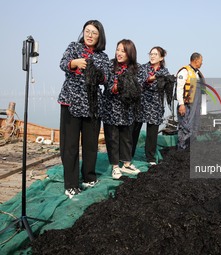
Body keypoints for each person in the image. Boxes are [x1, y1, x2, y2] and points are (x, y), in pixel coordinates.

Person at [58, 20, 110, 199]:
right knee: (70, 146)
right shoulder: (73, 47)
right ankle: (71, 184)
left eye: (94, 33)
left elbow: (105, 78)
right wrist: (75, 63)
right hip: (71, 102)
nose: (90, 35)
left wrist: (96, 72)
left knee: (90, 144)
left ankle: (89, 176)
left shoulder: (102, 56)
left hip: (92, 105)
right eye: (87, 31)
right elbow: (63, 63)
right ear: (83, 33)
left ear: (99, 36)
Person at [102, 39, 141, 179]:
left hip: (127, 109)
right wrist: (116, 86)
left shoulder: (136, 68)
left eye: (123, 51)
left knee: (126, 137)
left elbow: (139, 86)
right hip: (111, 108)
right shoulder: (110, 65)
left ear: (130, 53)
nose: (119, 53)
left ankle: (126, 164)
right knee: (112, 137)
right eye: (118, 49)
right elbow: (106, 83)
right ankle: (115, 167)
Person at [132, 46, 174, 165]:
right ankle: (128, 155)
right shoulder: (142, 68)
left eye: (155, 54)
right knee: (135, 130)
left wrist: (171, 81)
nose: (152, 56)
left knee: (152, 132)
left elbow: (167, 88)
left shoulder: (164, 72)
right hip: (141, 102)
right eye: (151, 54)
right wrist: (149, 80)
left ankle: (150, 157)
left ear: (161, 57)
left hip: (155, 103)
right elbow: (138, 82)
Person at [176, 52, 204, 150]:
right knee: (185, 127)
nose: (202, 63)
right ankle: (181, 149)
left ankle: (190, 149)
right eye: (201, 61)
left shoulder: (197, 74)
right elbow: (179, 89)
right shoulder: (184, 72)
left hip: (195, 106)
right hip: (186, 105)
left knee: (194, 127)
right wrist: (181, 104)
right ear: (196, 60)